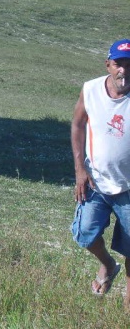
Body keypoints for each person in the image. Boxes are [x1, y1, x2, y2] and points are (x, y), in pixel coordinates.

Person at [72, 39, 130, 303]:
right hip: (95, 181)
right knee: (85, 233)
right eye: (119, 64)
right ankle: (107, 264)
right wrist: (80, 171)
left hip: (128, 188)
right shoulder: (91, 89)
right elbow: (77, 125)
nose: (124, 71)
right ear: (108, 64)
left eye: (129, 65)